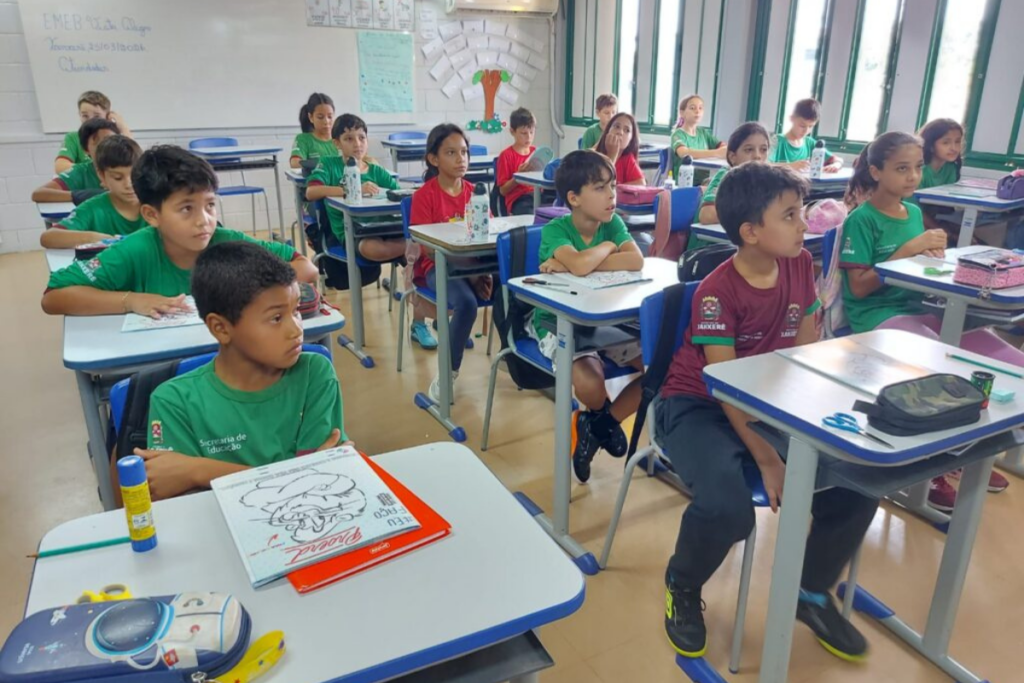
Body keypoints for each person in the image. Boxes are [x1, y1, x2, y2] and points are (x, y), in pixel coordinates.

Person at [661, 161, 877, 662]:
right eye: (790, 215)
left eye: (800, 212)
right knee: (727, 508)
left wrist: (808, 406)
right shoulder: (717, 292)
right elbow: (726, 385)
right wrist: (766, 456)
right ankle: (683, 582)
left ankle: (811, 590)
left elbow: (802, 343)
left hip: (769, 397)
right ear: (750, 232)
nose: (805, 224)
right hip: (698, 405)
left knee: (856, 480)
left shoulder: (800, 262)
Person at [840, 131, 1012, 511]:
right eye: (902, 169)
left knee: (1008, 359)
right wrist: (909, 249)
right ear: (875, 171)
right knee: (939, 367)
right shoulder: (861, 220)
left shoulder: (914, 212)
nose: (913, 177)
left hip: (925, 309)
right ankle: (936, 469)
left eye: (917, 168)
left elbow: (920, 266)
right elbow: (861, 286)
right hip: (879, 316)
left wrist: (931, 257)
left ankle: (972, 448)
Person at [128, 241, 348, 501]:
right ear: (221, 328)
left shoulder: (314, 374)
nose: (296, 329)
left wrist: (199, 471)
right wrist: (296, 478)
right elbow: (183, 504)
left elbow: (316, 485)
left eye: (296, 310)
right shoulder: (174, 402)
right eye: (276, 318)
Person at [41, 145, 317, 317]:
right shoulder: (135, 250)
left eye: (210, 205)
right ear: (151, 214)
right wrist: (130, 300)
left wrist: (251, 290)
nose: (204, 220)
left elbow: (305, 268)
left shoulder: (227, 243)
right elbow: (54, 297)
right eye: (187, 208)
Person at [532, 150, 645, 483]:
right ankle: (599, 414)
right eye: (600, 188)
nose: (612, 195)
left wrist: (583, 260)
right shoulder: (555, 229)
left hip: (607, 322)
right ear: (574, 198)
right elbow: (581, 267)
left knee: (661, 371)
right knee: (592, 386)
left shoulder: (614, 222)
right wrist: (608, 250)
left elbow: (636, 261)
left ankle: (599, 425)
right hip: (561, 323)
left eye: (612, 186)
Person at [409, 124, 492, 400]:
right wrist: (471, 274)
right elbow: (428, 250)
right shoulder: (425, 196)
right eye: (451, 153)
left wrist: (484, 272)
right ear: (434, 159)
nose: (461, 159)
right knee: (467, 303)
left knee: (509, 287)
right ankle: (448, 372)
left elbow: (488, 236)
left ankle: (518, 356)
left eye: (465, 152)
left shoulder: (475, 193)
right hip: (438, 268)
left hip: (472, 267)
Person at [40, 135, 146, 249]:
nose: (129, 184)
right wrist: (93, 238)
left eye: (135, 175)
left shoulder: (155, 202)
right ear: (102, 176)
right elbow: (48, 237)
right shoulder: (93, 208)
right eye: (118, 178)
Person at [33, 118, 120, 203]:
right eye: (97, 143)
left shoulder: (130, 166)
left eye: (110, 140)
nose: (106, 146)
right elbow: (38, 194)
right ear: (86, 149)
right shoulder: (82, 172)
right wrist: (87, 195)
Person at [55, 90, 132, 173]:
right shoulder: (73, 137)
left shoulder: (113, 137)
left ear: (108, 116)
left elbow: (132, 161)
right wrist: (93, 170)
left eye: (97, 116)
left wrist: (124, 128)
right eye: (85, 115)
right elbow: (60, 167)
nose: (90, 120)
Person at [914, 118, 964, 235]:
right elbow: (913, 210)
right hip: (913, 220)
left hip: (937, 219)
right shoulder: (919, 170)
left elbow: (945, 207)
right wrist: (944, 232)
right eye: (946, 142)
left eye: (957, 141)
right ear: (930, 146)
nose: (954, 148)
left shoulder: (951, 167)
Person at [770, 98, 842, 172]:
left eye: (811, 126)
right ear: (791, 119)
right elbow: (762, 165)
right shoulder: (777, 141)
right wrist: (790, 166)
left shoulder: (810, 143)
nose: (806, 131)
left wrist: (836, 165)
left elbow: (838, 160)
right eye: (802, 126)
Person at [670, 94, 726, 180]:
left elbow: (722, 146)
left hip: (704, 182)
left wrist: (723, 150)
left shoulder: (703, 133)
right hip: (685, 183)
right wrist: (717, 153)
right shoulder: (678, 134)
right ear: (682, 113)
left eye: (700, 108)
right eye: (692, 108)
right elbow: (684, 153)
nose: (697, 111)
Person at [496, 107, 538, 216]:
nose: (529, 137)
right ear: (512, 132)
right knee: (529, 213)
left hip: (537, 195)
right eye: (523, 133)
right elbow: (503, 191)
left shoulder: (536, 152)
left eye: (532, 132)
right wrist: (518, 177)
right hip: (519, 199)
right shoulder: (506, 156)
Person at [595, 113, 645, 186]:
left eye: (627, 130)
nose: (620, 132)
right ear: (608, 130)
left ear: (630, 140)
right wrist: (611, 154)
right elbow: (599, 185)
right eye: (617, 126)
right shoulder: (594, 157)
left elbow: (641, 184)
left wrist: (616, 188)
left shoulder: (628, 159)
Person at [290, 92, 338, 168]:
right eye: (320, 117)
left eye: (330, 117)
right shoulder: (303, 139)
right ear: (311, 117)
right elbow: (295, 163)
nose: (326, 121)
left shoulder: (340, 138)